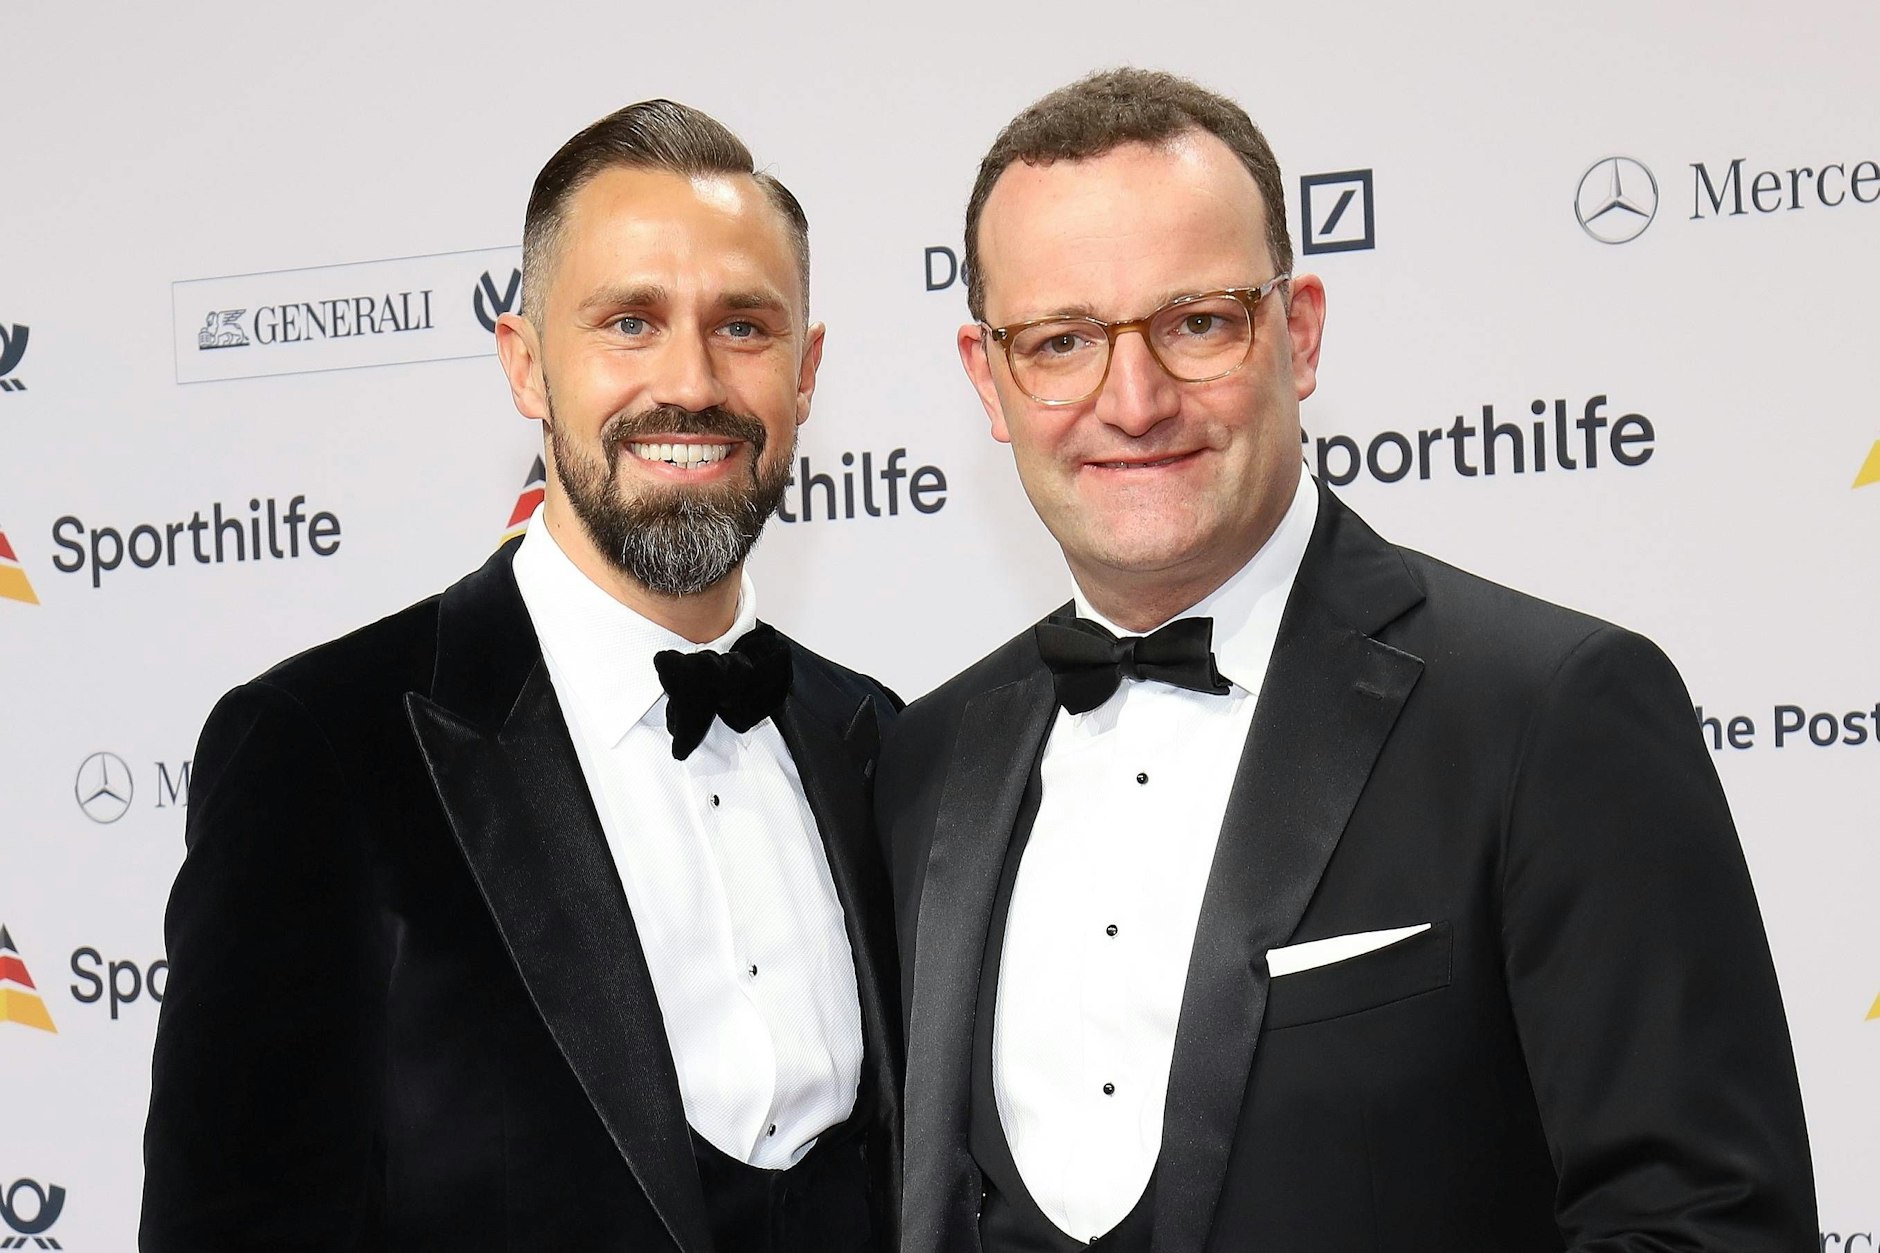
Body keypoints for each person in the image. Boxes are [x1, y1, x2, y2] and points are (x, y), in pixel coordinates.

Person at [879, 68, 1815, 1253]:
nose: (1132, 398)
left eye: (1195, 323)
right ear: (990, 380)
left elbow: (1706, 1227)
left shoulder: (1552, 713)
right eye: (1060, 340)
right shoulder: (925, 759)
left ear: (1299, 332)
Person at [142, 100, 900, 1253]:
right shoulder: (320, 749)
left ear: (806, 372)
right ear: (525, 364)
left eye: (743, 326)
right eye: (629, 323)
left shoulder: (877, 741)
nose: (689, 382)